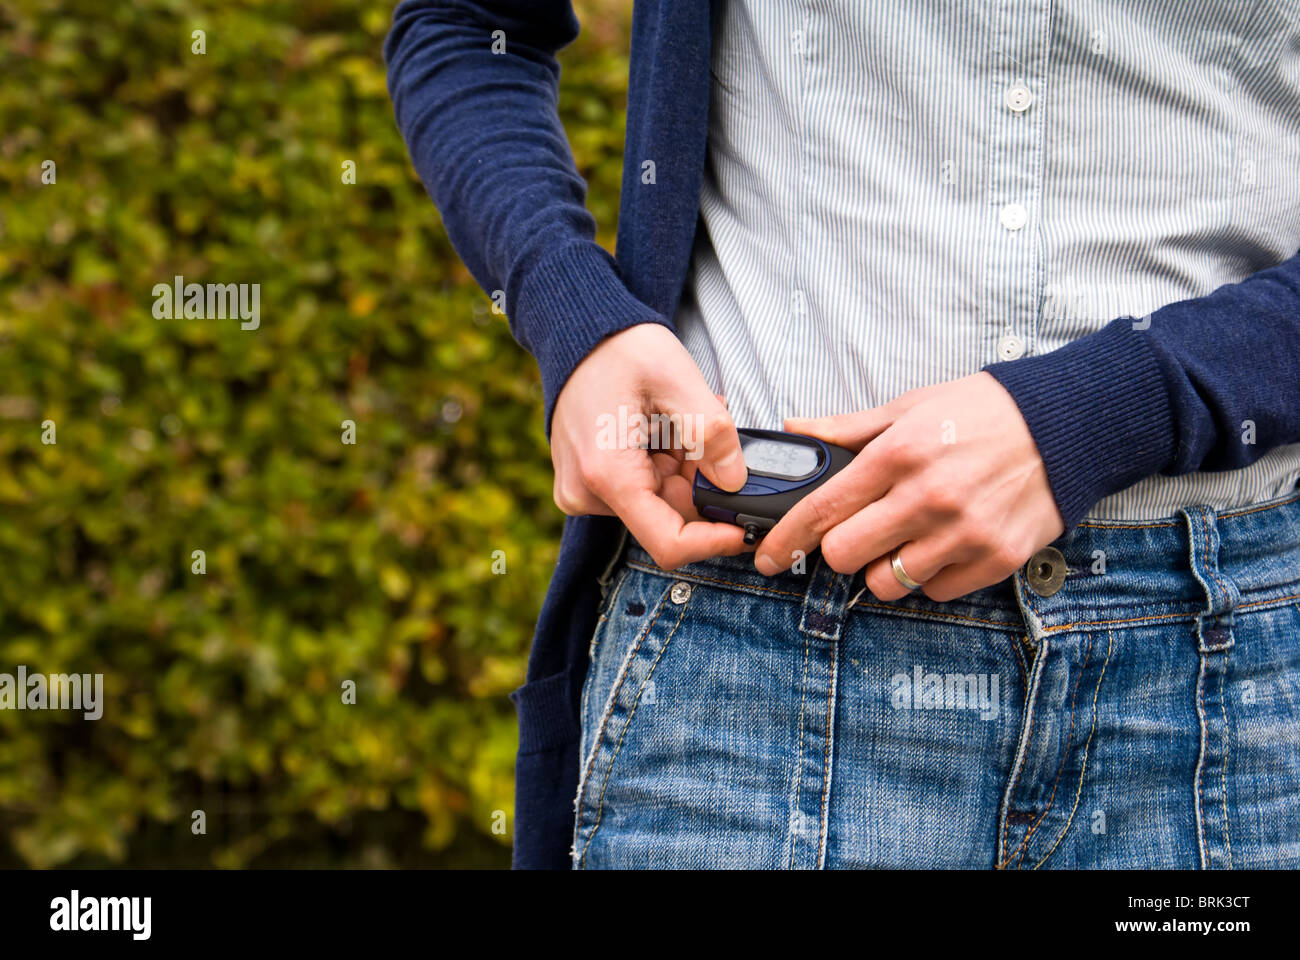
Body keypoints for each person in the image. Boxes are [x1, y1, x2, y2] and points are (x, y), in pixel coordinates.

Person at [386, 0, 1300, 869]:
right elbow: (468, 22)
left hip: (1235, 672)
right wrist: (572, 312)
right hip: (750, 651)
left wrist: (1110, 408)